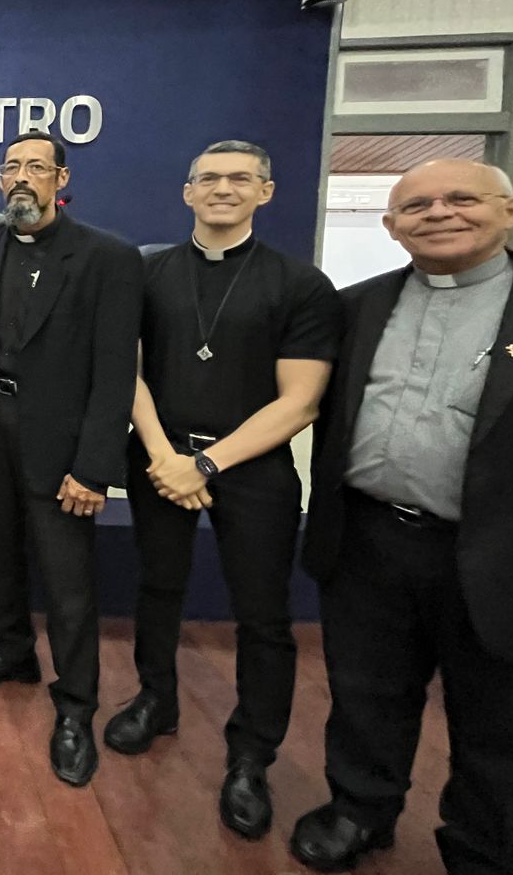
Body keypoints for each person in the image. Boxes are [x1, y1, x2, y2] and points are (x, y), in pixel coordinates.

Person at [291, 159, 513, 875]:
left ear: (510, 209)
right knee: (367, 692)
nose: (439, 213)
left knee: (499, 715)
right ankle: (359, 811)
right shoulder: (356, 305)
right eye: (416, 205)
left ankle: (484, 847)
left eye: (462, 198)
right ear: (391, 227)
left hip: (501, 552)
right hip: (370, 540)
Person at [109, 141, 341, 838]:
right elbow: (128, 368)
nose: (222, 189)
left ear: (265, 192)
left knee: (264, 617)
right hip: (158, 455)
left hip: (254, 467)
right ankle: (157, 700)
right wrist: (162, 454)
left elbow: (299, 402)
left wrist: (205, 466)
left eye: (240, 179)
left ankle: (250, 756)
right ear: (187, 193)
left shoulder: (300, 285)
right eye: (208, 179)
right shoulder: (147, 275)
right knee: (158, 587)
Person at [0, 131, 141, 782]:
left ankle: (75, 706)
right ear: (0, 181)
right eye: (11, 167)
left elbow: (115, 374)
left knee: (68, 585)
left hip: (62, 445)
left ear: (61, 178)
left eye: (36, 167)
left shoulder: (108, 258)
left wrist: (94, 468)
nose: (21, 177)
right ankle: (10, 653)